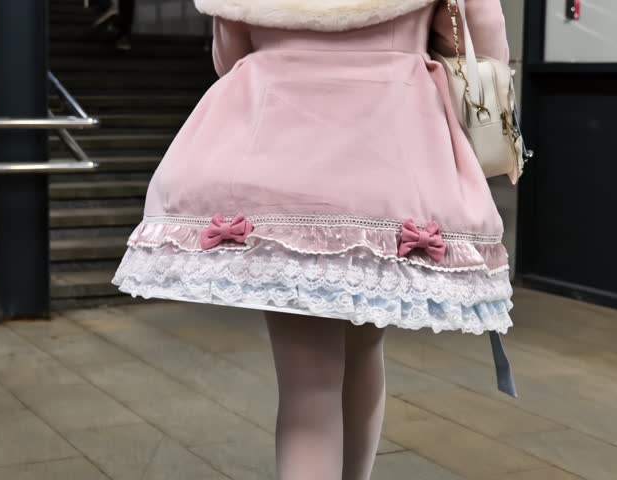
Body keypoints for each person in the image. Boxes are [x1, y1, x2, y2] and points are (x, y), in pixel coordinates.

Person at [113, 1, 512, 478]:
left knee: (308, 386)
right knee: (365, 346)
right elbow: (478, 50)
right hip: (390, 158)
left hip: (279, 161)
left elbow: (229, 56)